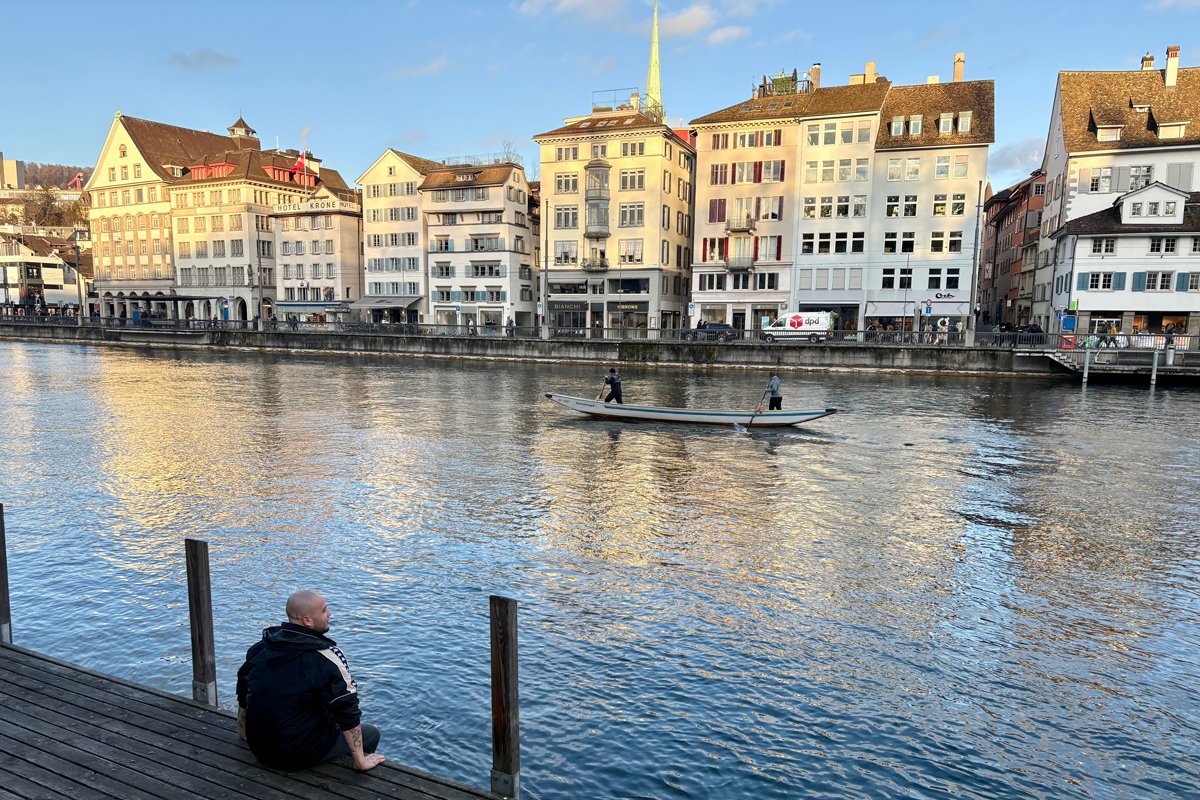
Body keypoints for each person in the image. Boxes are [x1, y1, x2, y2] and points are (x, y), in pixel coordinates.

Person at [236, 590, 385, 773]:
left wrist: (243, 732)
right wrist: (361, 761)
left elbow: (244, 687)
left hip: (259, 748)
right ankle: (348, 777)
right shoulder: (326, 658)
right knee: (370, 734)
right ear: (307, 621)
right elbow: (347, 708)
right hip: (296, 756)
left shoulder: (261, 648)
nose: (329, 614)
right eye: (324, 610)